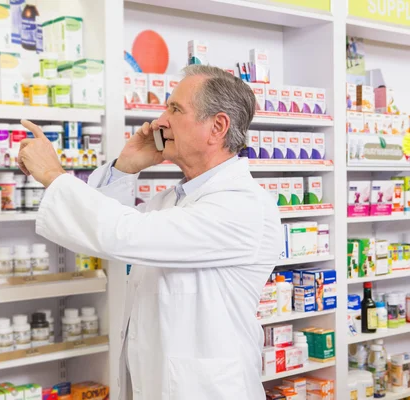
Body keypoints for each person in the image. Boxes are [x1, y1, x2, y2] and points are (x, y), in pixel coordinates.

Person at [18, 65, 282, 399]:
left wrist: (53, 174)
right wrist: (124, 167)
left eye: (175, 109)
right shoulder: (175, 200)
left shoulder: (243, 207)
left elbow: (124, 233)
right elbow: (105, 235)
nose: (159, 121)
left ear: (217, 127)